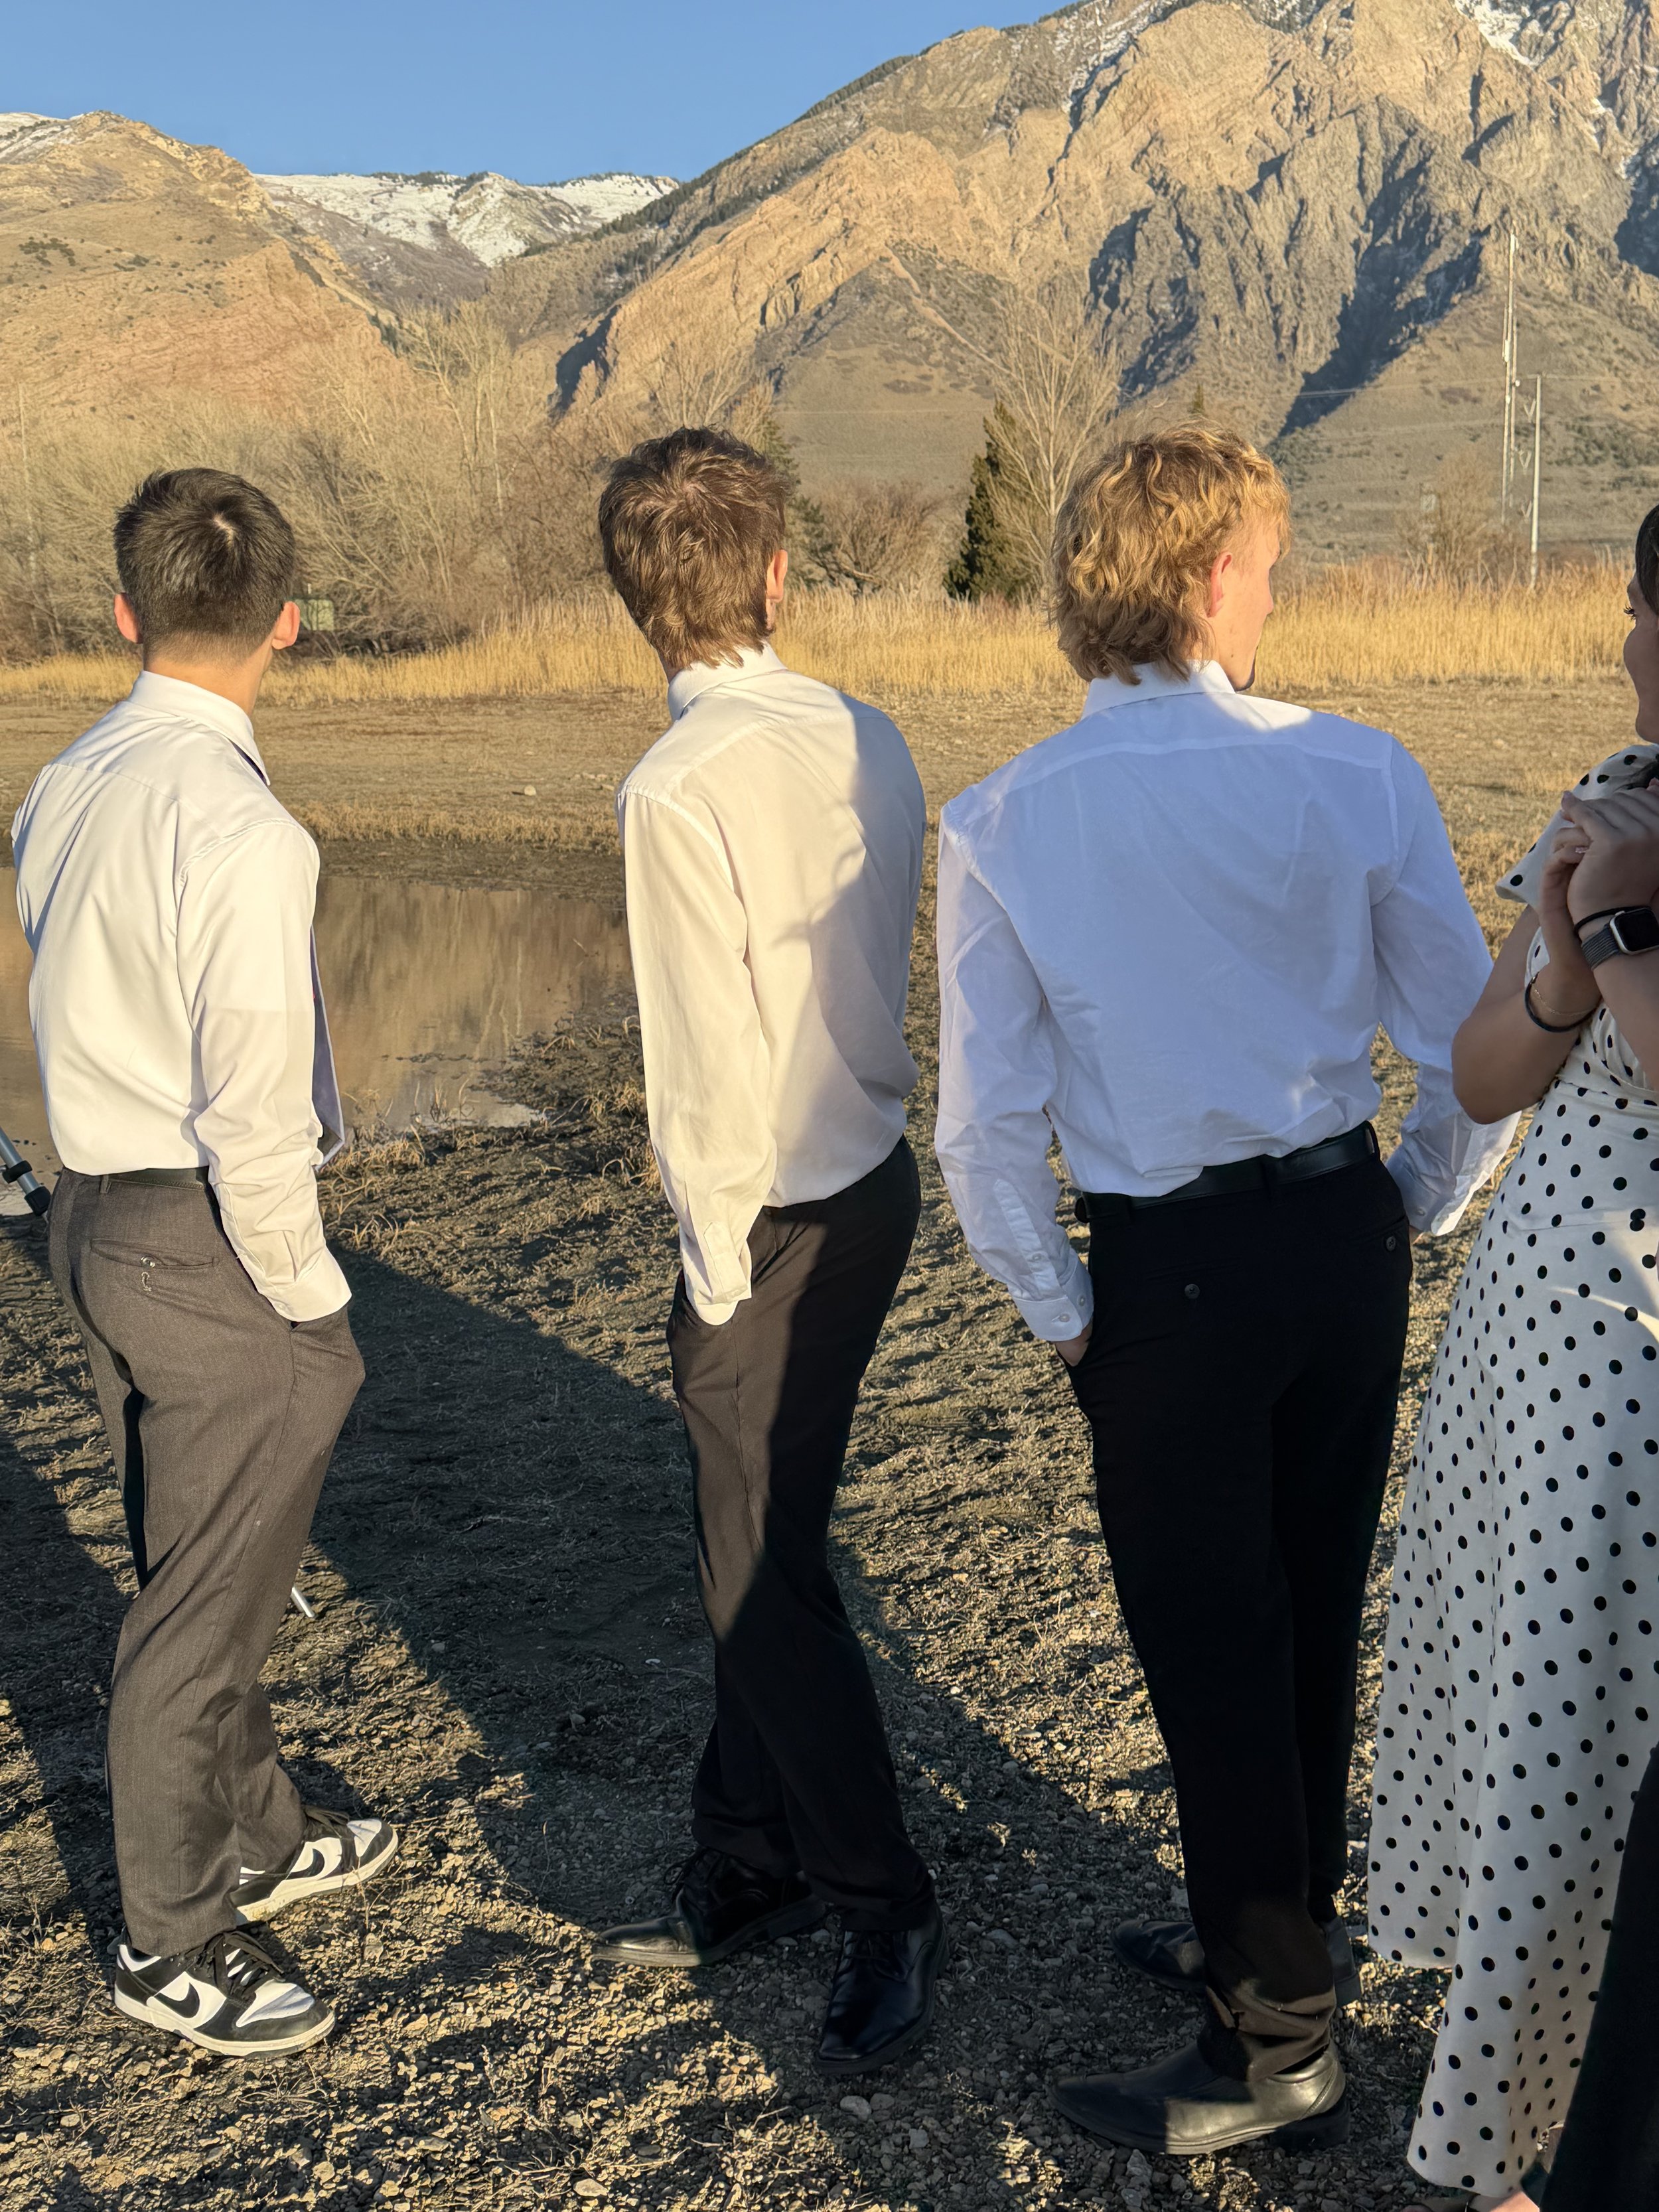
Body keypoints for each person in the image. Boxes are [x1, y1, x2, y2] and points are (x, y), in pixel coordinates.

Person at [933, 427, 1513, 2153]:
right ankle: (1270, 1937)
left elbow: (984, 1129)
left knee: (1210, 1645)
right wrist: (1398, 1206)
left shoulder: (1006, 815)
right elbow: (1467, 1043)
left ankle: (1274, 2034)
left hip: (1172, 1270)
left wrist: (1060, 1315)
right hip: (1331, 1238)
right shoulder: (1355, 768)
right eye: (1262, 562)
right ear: (1199, 582)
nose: (1274, 591)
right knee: (1302, 1610)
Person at [12, 469, 395, 2059]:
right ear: (287, 626)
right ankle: (168, 1936)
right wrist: (318, 1309)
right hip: (196, 1237)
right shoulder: (241, 826)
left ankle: (259, 1822)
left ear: (124, 610)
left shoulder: (63, 780)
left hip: (89, 1213)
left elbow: (47, 1009)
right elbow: (252, 1118)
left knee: (201, 1563)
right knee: (200, 1604)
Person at [590, 427, 944, 2075]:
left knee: (754, 1566)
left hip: (773, 1217)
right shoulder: (866, 732)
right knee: (767, 1527)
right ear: (778, 573)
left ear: (631, 602)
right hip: (869, 1180)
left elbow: (701, 1062)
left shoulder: (673, 786)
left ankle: (876, 1888)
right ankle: (747, 1837)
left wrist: (710, 1271)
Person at [1374, 508, 1659, 2206]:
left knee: (1596, 1748)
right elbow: (1483, 1073)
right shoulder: (1614, 782)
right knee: (1522, 1730)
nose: (1628, 643)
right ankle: (1501, 2149)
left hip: (1633, 1374)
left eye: (1643, 610)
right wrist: (1560, 951)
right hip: (1529, 1356)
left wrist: (1615, 926)